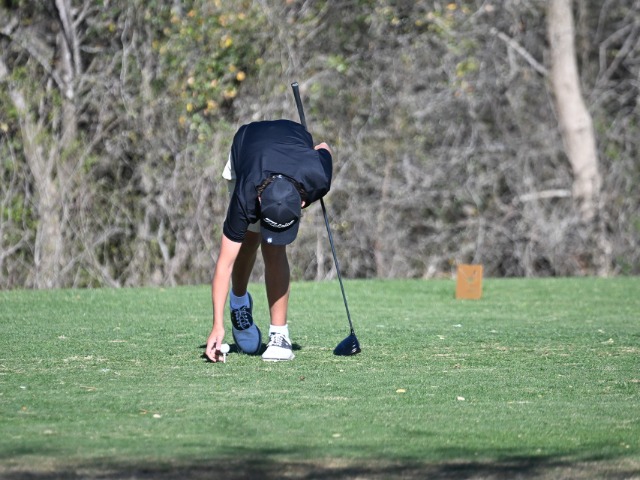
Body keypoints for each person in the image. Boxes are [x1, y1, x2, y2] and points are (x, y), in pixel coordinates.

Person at [205, 119, 333, 362]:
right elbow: (224, 263)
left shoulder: (318, 177)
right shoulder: (245, 195)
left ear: (302, 202)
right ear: (260, 201)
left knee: (274, 248)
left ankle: (279, 334)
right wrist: (217, 326)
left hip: (292, 137)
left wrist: (311, 151)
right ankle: (239, 303)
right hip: (247, 144)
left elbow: (323, 147)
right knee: (248, 240)